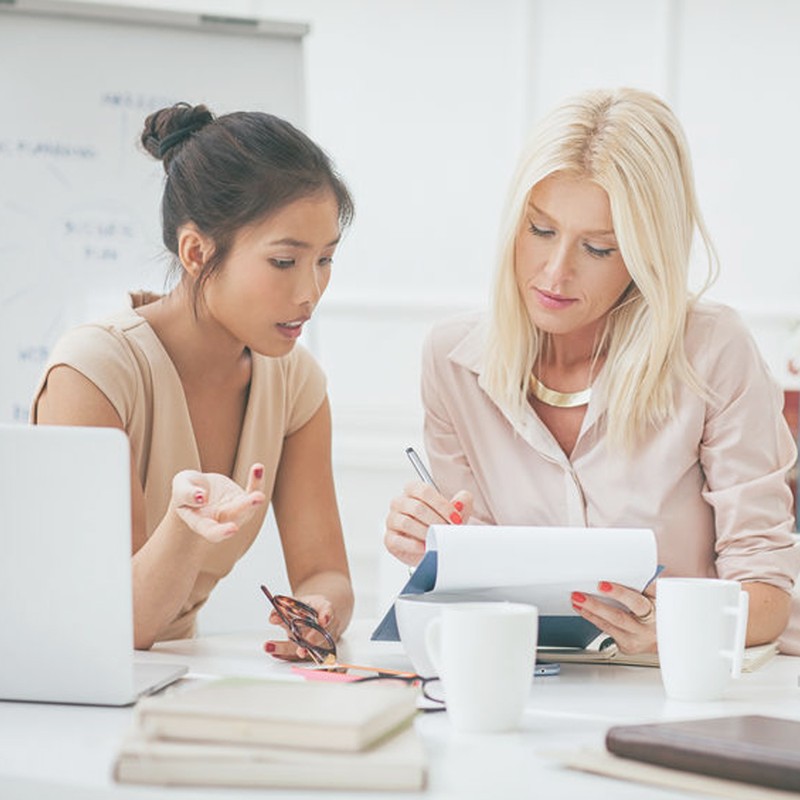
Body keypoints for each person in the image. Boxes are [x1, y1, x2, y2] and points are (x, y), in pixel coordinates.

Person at [384, 87, 800, 655]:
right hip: (545, 681)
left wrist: (671, 628)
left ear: (645, 253)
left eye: (599, 249)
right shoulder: (453, 360)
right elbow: (481, 579)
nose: (555, 273)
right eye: (541, 230)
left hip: (693, 683)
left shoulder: (712, 350)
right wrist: (433, 548)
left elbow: (769, 596)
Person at [32, 102, 354, 657]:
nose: (310, 293)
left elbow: (327, 572)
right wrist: (185, 526)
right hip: (57, 675)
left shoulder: (295, 382)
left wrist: (318, 611)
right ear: (196, 251)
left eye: (324, 260)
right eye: (284, 262)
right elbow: (115, 623)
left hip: (168, 676)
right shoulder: (93, 374)